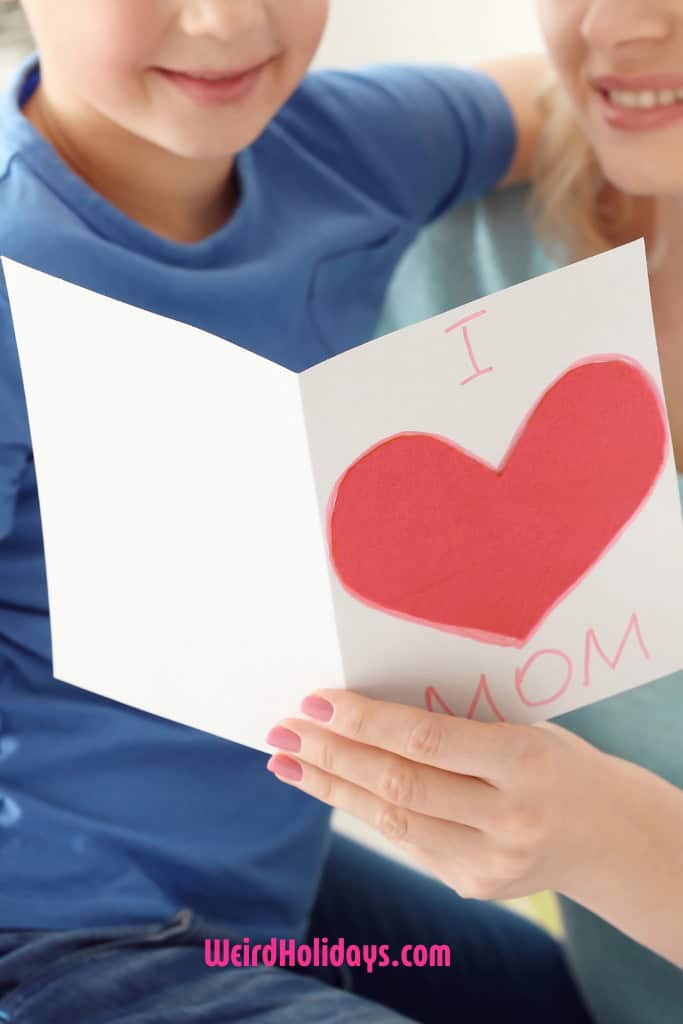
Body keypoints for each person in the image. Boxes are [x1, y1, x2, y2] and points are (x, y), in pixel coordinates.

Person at [0, 2, 600, 1023]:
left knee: (561, 1000)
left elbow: (584, 100)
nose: (226, 18)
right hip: (51, 938)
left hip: (256, 902)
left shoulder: (344, 146)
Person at [265, 3, 683, 1024]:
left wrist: (607, 835)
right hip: (588, 999)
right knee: (144, 909)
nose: (616, 28)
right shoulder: (486, 228)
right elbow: (193, 122)